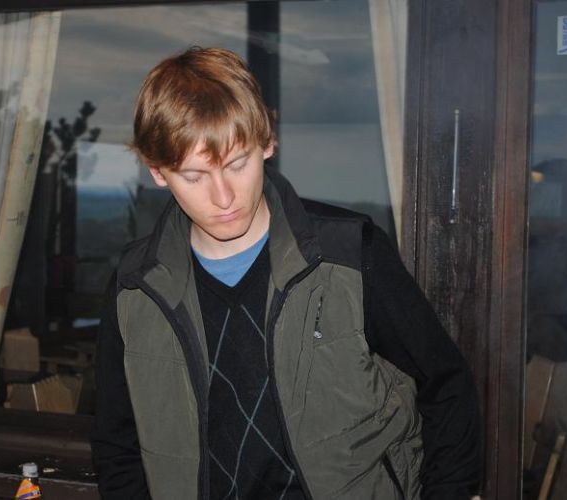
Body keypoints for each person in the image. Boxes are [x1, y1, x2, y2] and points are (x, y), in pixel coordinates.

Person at [91, 47, 480, 500]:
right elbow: (116, 444)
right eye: (194, 176)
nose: (223, 197)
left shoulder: (351, 256)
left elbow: (446, 385)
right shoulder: (134, 288)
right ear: (159, 173)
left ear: (268, 143)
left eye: (238, 164)